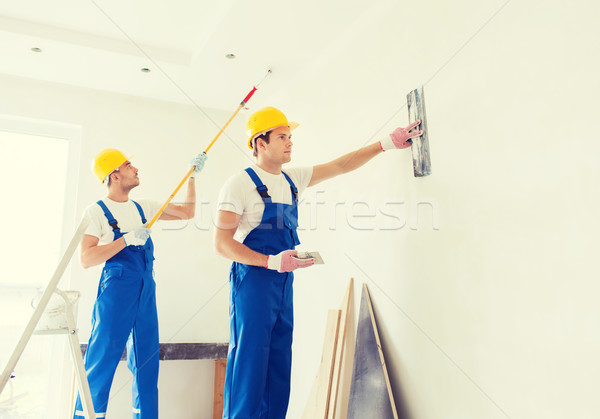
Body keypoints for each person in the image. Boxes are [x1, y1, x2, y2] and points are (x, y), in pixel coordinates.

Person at [214, 106, 421, 418]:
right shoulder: (239, 184)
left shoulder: (292, 179)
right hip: (254, 281)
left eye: (290, 137)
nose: (290, 142)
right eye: (282, 136)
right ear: (260, 142)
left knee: (279, 362)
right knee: (250, 363)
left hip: (283, 280)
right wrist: (270, 262)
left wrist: (386, 144)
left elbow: (340, 165)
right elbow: (221, 244)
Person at [73, 148, 207, 419]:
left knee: (146, 362)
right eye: (128, 165)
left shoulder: (142, 207)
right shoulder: (97, 211)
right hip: (117, 289)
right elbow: (86, 258)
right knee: (101, 361)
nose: (135, 169)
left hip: (146, 288)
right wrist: (124, 240)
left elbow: (187, 213)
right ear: (114, 175)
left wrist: (192, 177)